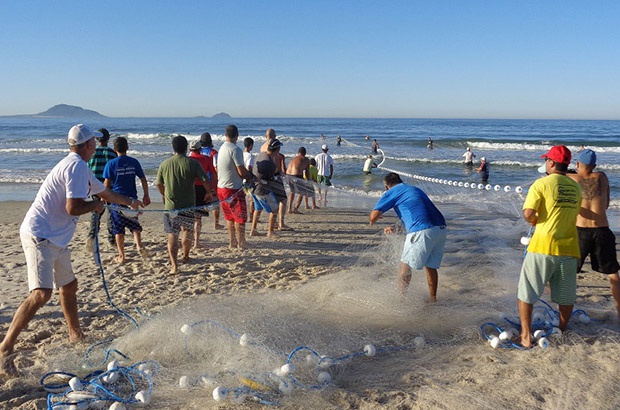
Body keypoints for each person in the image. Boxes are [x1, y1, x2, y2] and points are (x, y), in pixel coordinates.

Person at [0, 124, 143, 374]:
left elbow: (105, 192)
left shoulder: (79, 166)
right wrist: (95, 206)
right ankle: (6, 345)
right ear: (87, 145)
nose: (96, 146)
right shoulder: (76, 166)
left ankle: (75, 334)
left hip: (55, 238)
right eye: (93, 143)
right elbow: (73, 208)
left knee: (69, 286)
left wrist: (131, 202)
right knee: (41, 294)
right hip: (40, 235)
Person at [517, 145, 582, 348]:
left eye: (547, 160)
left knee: (526, 292)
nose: (546, 163)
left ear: (551, 163)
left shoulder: (542, 183)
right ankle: (561, 330)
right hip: (570, 247)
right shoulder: (576, 187)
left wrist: (535, 221)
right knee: (565, 295)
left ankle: (526, 336)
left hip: (543, 246)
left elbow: (528, 213)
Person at [369, 172, 446, 300]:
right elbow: (416, 213)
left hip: (422, 230)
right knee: (431, 266)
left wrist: (372, 220)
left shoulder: (391, 192)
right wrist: (395, 228)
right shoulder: (414, 189)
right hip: (441, 229)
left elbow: (373, 217)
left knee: (405, 266)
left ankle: (401, 299)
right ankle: (433, 299)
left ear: (386, 187)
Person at [567, 149, 620, 319]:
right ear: (595, 166)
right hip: (602, 230)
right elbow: (606, 204)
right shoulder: (602, 177)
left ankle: (561, 310)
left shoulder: (571, 178)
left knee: (568, 273)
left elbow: (556, 175)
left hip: (580, 232)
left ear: (577, 164)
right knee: (613, 274)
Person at [156, 135, 213, 274]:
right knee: (187, 231)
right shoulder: (192, 163)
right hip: (188, 205)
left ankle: (174, 265)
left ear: (173, 148)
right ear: (186, 148)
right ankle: (186, 256)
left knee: (172, 235)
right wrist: (209, 192)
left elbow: (159, 183)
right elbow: (205, 179)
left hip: (171, 206)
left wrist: (164, 194)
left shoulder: (165, 163)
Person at [103, 136, 151, 263]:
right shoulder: (133, 162)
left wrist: (103, 197)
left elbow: (107, 184)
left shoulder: (111, 164)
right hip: (132, 199)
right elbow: (143, 179)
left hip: (117, 199)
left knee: (118, 229)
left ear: (114, 149)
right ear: (127, 148)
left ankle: (122, 255)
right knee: (134, 225)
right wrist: (146, 194)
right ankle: (139, 246)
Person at [217, 125, 253, 250]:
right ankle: (241, 241)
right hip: (232, 188)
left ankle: (232, 241)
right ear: (237, 135)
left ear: (225, 135)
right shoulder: (235, 149)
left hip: (221, 187)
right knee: (240, 217)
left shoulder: (222, 148)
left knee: (229, 216)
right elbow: (241, 171)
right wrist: (251, 177)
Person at [86, 128, 117, 248]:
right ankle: (111, 239)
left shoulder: (92, 153)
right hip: (109, 187)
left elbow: (87, 169)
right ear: (108, 139)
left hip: (94, 187)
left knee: (95, 213)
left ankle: (92, 236)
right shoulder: (111, 153)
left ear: (97, 139)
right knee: (111, 213)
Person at [250, 140, 283, 237]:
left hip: (253, 187)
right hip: (262, 189)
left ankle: (253, 230)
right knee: (275, 209)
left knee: (258, 208)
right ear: (277, 150)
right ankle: (270, 231)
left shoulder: (261, 155)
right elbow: (271, 178)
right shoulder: (269, 163)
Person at [188, 139, 217, 250]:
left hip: (190, 189)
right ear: (200, 149)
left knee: (189, 216)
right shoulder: (207, 159)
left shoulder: (188, 160)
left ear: (190, 149)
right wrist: (213, 189)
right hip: (202, 188)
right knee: (198, 218)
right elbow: (213, 175)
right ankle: (196, 242)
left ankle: (189, 240)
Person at [261, 129, 291, 230]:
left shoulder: (262, 147)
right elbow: (273, 162)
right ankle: (281, 223)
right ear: (275, 136)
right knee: (283, 199)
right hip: (274, 176)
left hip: (264, 177)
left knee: (272, 201)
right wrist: (279, 172)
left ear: (265, 136)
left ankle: (273, 223)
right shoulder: (272, 147)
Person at [200, 132, 223, 230]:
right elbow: (216, 168)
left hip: (199, 180)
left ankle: (199, 224)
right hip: (210, 181)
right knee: (215, 203)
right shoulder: (213, 153)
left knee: (199, 204)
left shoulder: (197, 151)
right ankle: (216, 223)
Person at [286, 147, 311, 214]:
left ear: (298, 152)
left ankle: (289, 208)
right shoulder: (306, 159)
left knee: (292, 191)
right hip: (296, 175)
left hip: (288, 175)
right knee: (302, 192)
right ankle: (295, 209)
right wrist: (308, 181)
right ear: (305, 153)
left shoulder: (293, 159)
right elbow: (307, 172)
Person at [243, 137, 255, 216]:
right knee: (251, 199)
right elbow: (249, 167)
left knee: (242, 198)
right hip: (247, 179)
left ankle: (243, 214)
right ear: (250, 145)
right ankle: (251, 215)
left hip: (241, 178)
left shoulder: (240, 154)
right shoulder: (250, 156)